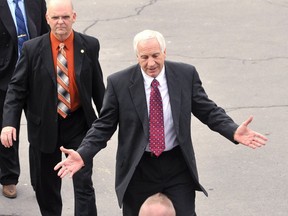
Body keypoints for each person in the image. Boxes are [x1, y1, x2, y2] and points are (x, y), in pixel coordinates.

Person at [54, 30, 268, 216]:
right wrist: (83, 153)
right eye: (144, 57)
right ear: (136, 56)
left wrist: (232, 131)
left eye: (156, 55)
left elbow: (208, 110)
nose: (151, 63)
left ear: (165, 52)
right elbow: (104, 126)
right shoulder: (119, 83)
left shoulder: (185, 75)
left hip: (176, 165)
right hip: (138, 168)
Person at [0, 0, 105, 215]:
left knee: (84, 183)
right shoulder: (32, 49)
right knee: (46, 188)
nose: (60, 22)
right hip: (44, 126)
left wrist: (108, 121)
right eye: (55, 17)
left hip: (79, 124)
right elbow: (16, 89)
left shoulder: (90, 45)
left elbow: (98, 89)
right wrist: (9, 123)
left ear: (74, 17)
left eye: (65, 17)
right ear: (47, 19)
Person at [0, 0, 49, 198]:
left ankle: (41, 178)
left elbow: (46, 32)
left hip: (34, 74)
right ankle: (9, 178)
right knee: (7, 128)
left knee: (40, 128)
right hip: (5, 75)